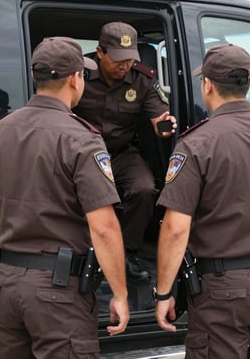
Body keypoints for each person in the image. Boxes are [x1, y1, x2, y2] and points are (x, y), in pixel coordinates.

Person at [0, 36, 129, 359]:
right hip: (58, 290)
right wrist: (120, 293)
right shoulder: (81, 138)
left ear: (37, 77)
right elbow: (103, 227)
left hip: (7, 283)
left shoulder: (0, 130)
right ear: (75, 78)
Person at [154, 43, 250, 359]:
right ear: (248, 83)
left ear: (207, 85)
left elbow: (175, 228)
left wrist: (164, 293)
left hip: (223, 288)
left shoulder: (196, 143)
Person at [73, 21, 177, 281]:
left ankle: (127, 253)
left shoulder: (141, 78)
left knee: (144, 188)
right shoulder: (78, 74)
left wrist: (164, 127)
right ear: (100, 53)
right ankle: (80, 252)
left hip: (120, 152)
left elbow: (158, 118)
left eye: (130, 60)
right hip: (81, 154)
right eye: (118, 59)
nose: (125, 66)